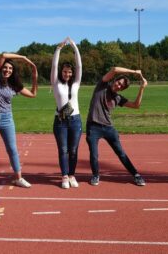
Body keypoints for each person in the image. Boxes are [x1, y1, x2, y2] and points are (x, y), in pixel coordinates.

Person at [0, 53, 38, 195]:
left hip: (7, 119)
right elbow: (4, 55)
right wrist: (23, 58)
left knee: (12, 150)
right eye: (5, 68)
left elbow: (33, 94)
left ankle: (18, 178)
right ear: (0, 69)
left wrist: (35, 78)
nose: (7, 70)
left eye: (10, 69)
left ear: (13, 71)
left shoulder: (14, 85)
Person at [86, 67, 147, 186]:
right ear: (115, 81)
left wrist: (142, 88)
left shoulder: (118, 98)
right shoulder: (102, 85)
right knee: (94, 153)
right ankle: (95, 175)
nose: (119, 86)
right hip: (93, 127)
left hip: (108, 128)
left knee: (121, 153)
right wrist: (134, 72)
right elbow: (114, 69)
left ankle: (136, 175)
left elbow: (136, 105)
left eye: (122, 87)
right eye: (119, 83)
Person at [51, 37, 83, 189]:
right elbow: (54, 65)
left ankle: (72, 175)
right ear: (61, 72)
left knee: (74, 150)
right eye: (65, 71)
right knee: (63, 150)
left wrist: (75, 47)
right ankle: (64, 176)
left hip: (75, 120)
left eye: (69, 72)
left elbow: (79, 65)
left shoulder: (76, 84)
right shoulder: (56, 84)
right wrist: (59, 49)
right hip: (60, 122)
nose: (67, 74)